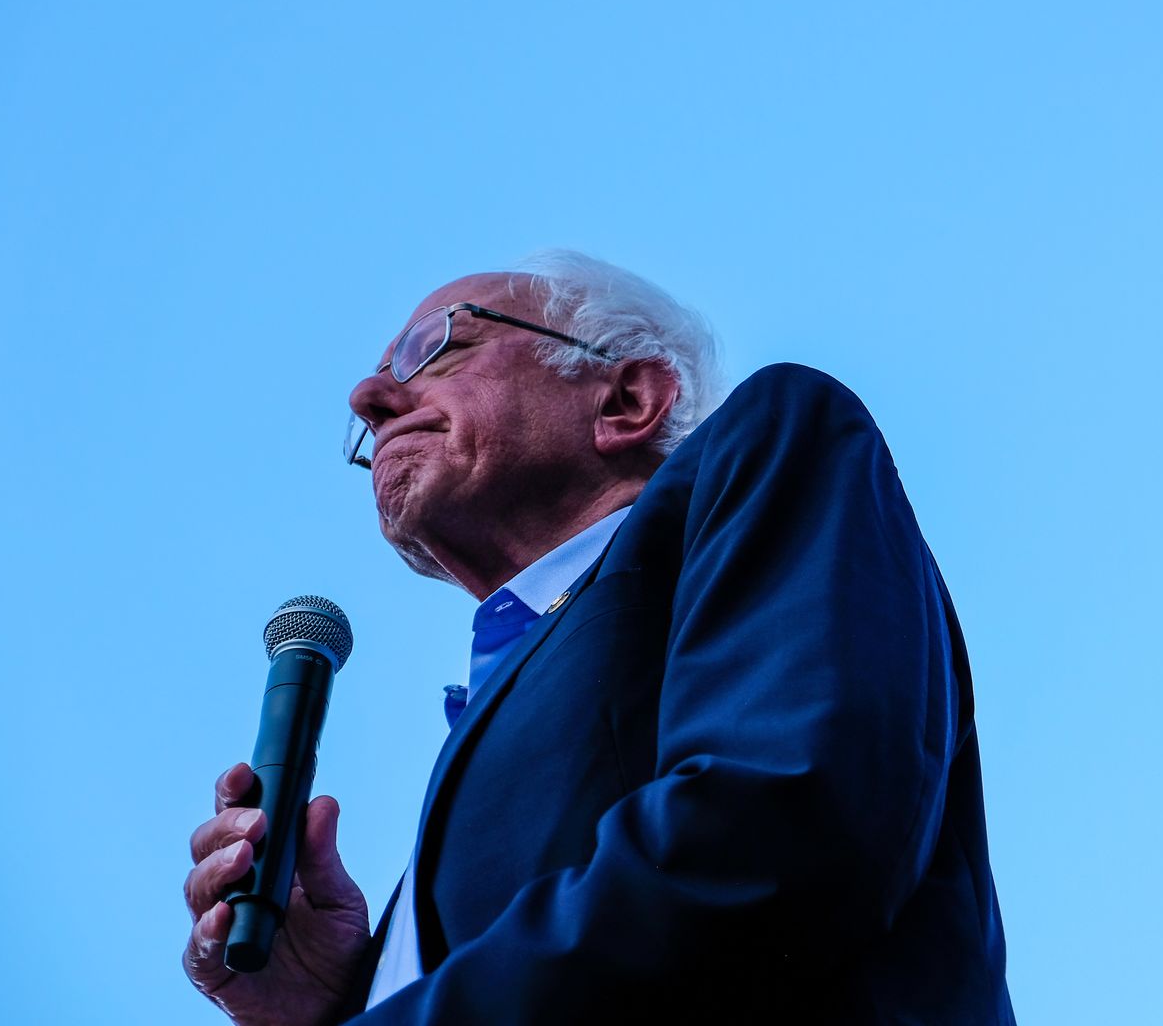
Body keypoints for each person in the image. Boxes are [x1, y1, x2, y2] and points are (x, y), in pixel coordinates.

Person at [180, 250, 1016, 1024]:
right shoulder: (508, 688)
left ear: (626, 400)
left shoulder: (764, 444)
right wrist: (337, 1000)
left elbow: (775, 829)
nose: (370, 397)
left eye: (432, 348)